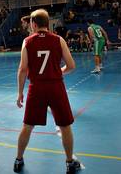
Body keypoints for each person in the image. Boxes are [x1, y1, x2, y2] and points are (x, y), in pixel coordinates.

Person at [14, 9, 81, 174]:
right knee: (65, 126)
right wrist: (58, 71)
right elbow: (71, 66)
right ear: (47, 24)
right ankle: (69, 162)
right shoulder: (59, 40)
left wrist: (20, 92)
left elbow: (22, 70)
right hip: (56, 87)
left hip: (36, 87)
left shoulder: (27, 42)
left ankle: (18, 160)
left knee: (27, 126)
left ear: (34, 24)